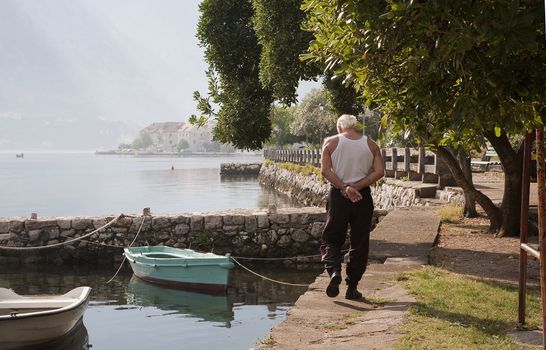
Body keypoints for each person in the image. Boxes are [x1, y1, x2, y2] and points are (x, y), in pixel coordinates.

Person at [320, 114, 384, 300]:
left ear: (340, 127)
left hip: (339, 197)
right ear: (355, 126)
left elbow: (325, 170)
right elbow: (379, 171)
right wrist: (358, 187)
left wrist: (345, 188)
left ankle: (334, 271)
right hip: (362, 198)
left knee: (332, 238)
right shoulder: (371, 145)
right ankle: (352, 286)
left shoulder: (331, 143)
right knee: (360, 241)